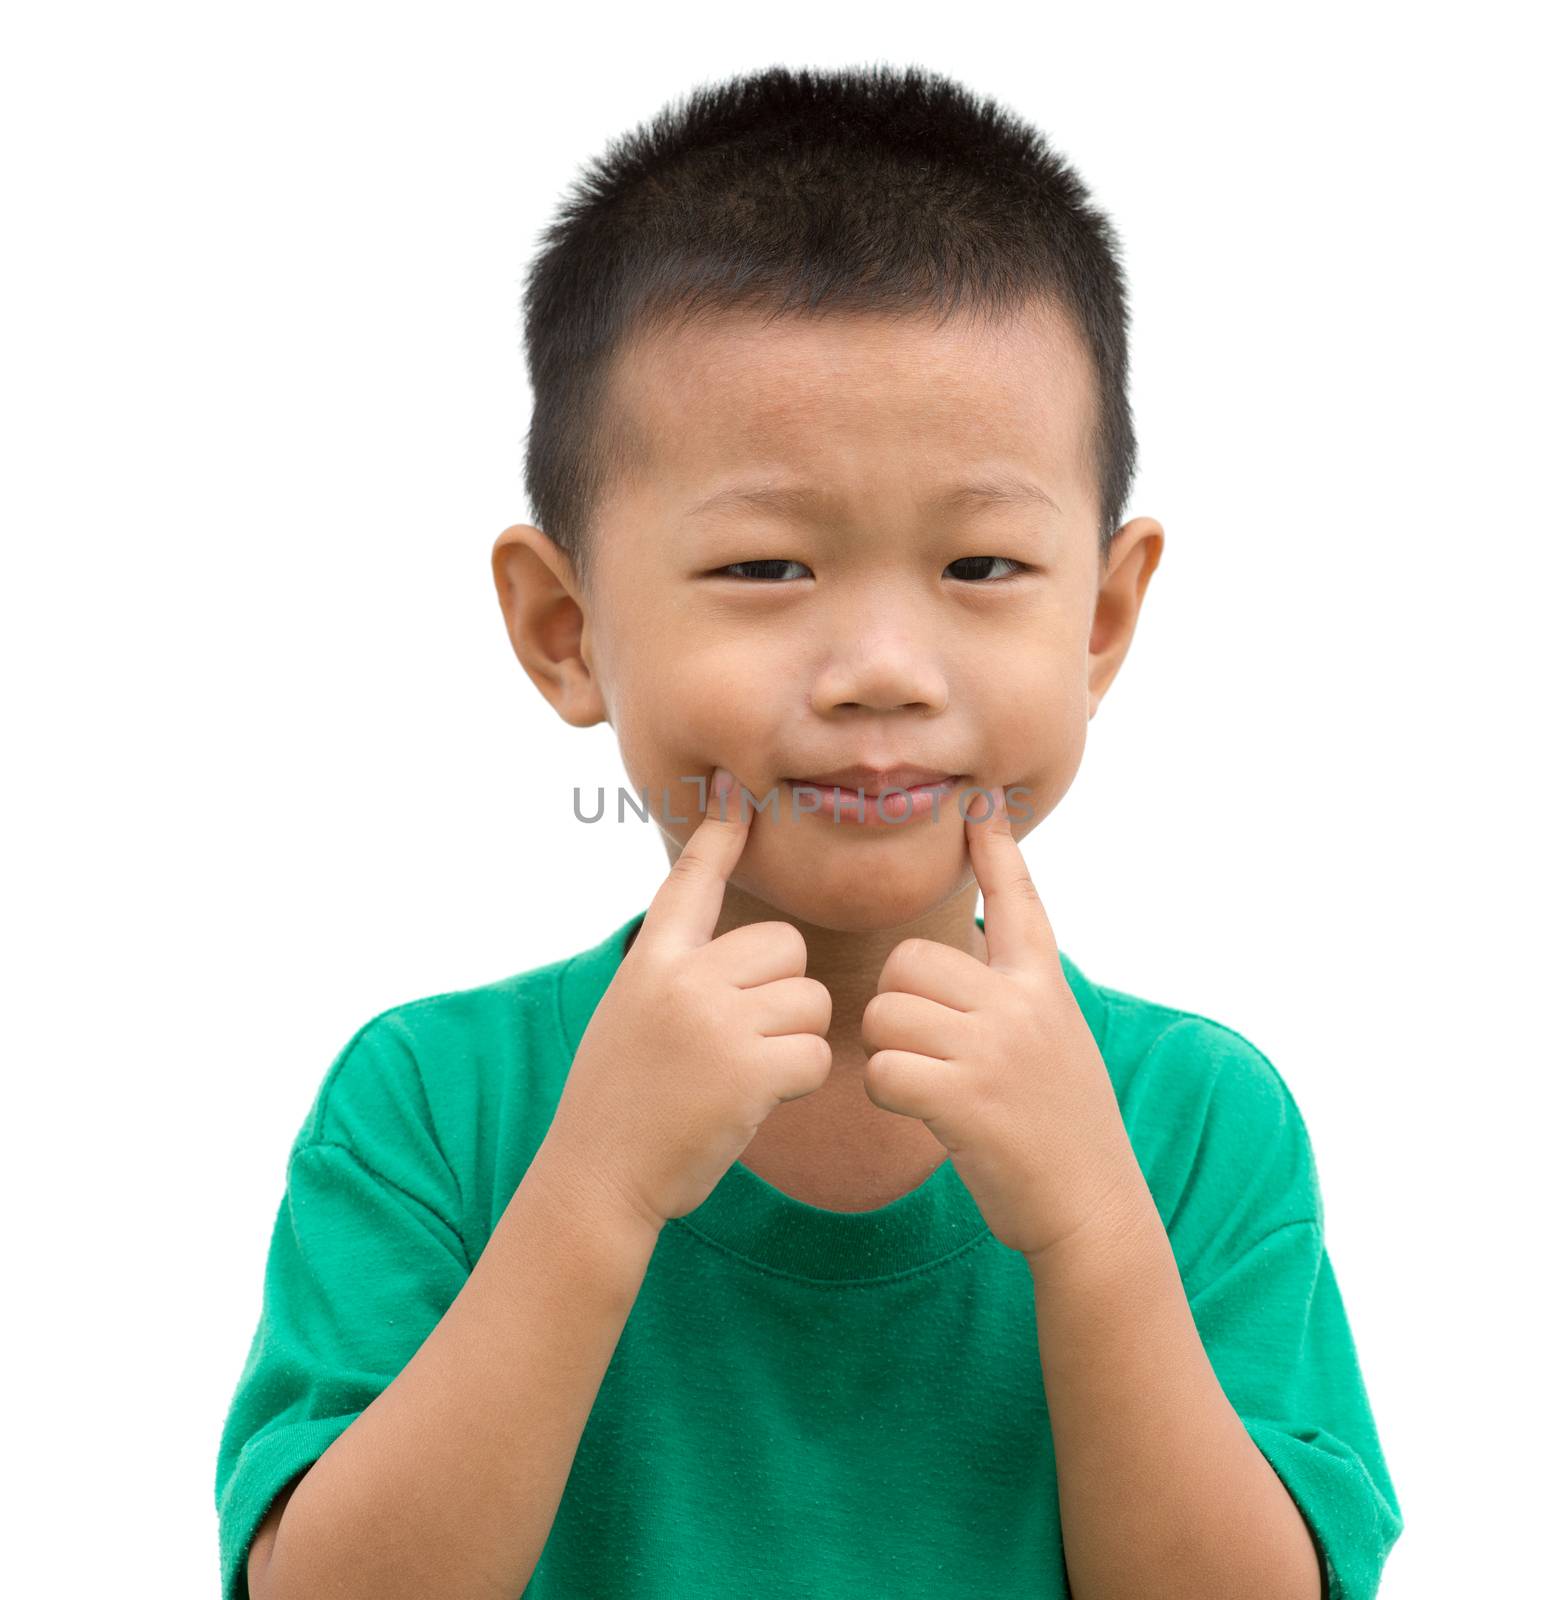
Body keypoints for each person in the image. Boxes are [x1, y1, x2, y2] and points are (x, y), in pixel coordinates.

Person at [216, 62, 1403, 1600]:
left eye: (981, 565)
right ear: (566, 629)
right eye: (769, 568)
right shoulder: (437, 1104)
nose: (884, 673)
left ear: (1103, 621)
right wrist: (597, 1186)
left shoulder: (1194, 1124)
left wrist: (1094, 1227)